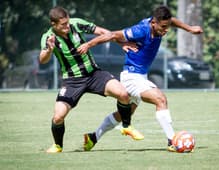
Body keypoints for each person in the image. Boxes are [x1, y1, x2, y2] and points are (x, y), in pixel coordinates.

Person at [82, 5, 203, 152]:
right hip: (132, 77)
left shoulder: (160, 24)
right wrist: (88, 44)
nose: (165, 30)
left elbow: (173, 21)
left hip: (139, 76)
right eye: (163, 27)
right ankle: (172, 141)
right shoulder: (141, 30)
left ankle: (93, 137)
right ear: (153, 23)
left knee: (124, 114)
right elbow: (112, 35)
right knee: (161, 99)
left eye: (167, 27)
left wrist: (189, 29)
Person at [39, 6, 143, 153]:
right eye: (63, 25)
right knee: (58, 117)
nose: (67, 26)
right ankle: (58, 146)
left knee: (123, 94)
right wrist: (49, 49)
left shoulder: (75, 24)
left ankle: (126, 126)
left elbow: (102, 32)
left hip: (94, 74)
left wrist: (121, 43)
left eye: (67, 22)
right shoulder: (48, 37)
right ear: (53, 24)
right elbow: (42, 60)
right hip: (72, 82)